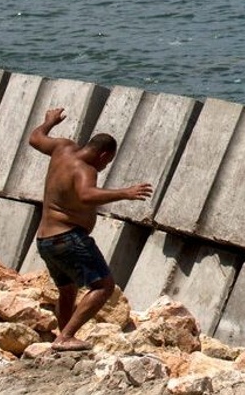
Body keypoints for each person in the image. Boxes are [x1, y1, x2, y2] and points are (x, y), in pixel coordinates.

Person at [29, 107, 153, 352]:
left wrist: (48, 122)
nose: (106, 166)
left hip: (45, 239)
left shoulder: (61, 148)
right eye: (108, 161)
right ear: (103, 155)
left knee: (67, 290)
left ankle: (61, 339)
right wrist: (125, 193)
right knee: (103, 286)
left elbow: (35, 138)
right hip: (68, 238)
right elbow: (86, 195)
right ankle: (66, 337)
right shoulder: (86, 170)